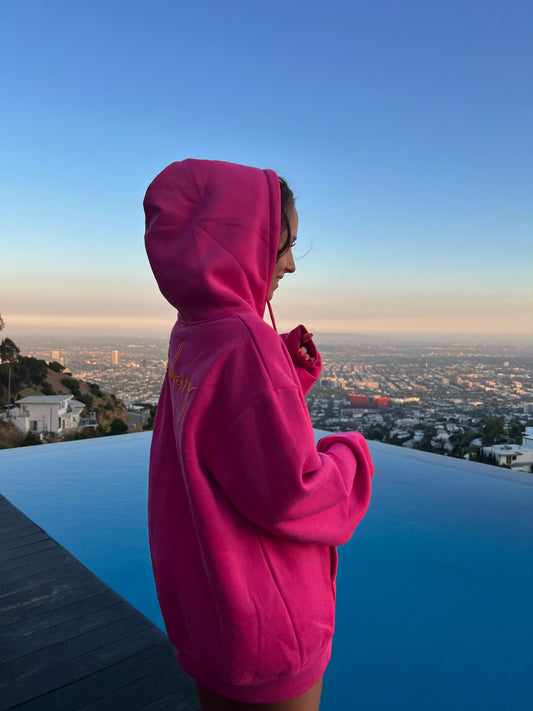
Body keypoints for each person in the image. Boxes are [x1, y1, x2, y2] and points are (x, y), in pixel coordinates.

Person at [144, 159, 374, 711]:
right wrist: (351, 455)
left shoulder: (195, 328)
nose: (291, 266)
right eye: (282, 246)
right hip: (267, 630)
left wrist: (283, 372)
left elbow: (217, 432)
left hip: (211, 611)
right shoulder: (244, 340)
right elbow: (295, 494)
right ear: (236, 242)